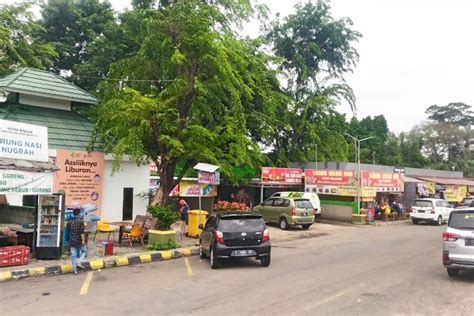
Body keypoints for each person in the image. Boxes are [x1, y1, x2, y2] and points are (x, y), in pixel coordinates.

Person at [68, 208, 86, 275]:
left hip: (72, 240)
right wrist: (83, 240)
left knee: (73, 255)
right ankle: (79, 262)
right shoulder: (81, 221)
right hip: (79, 240)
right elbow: (82, 232)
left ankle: (74, 270)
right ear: (79, 214)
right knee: (84, 251)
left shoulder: (70, 222)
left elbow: (68, 231)